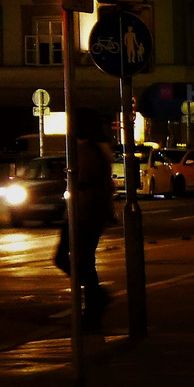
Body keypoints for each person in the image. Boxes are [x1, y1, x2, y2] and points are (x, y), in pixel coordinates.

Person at [56, 108, 115, 328]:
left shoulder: (86, 150)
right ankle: (94, 301)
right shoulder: (99, 149)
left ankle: (95, 299)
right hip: (89, 212)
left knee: (69, 258)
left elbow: (86, 182)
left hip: (83, 213)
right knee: (85, 260)